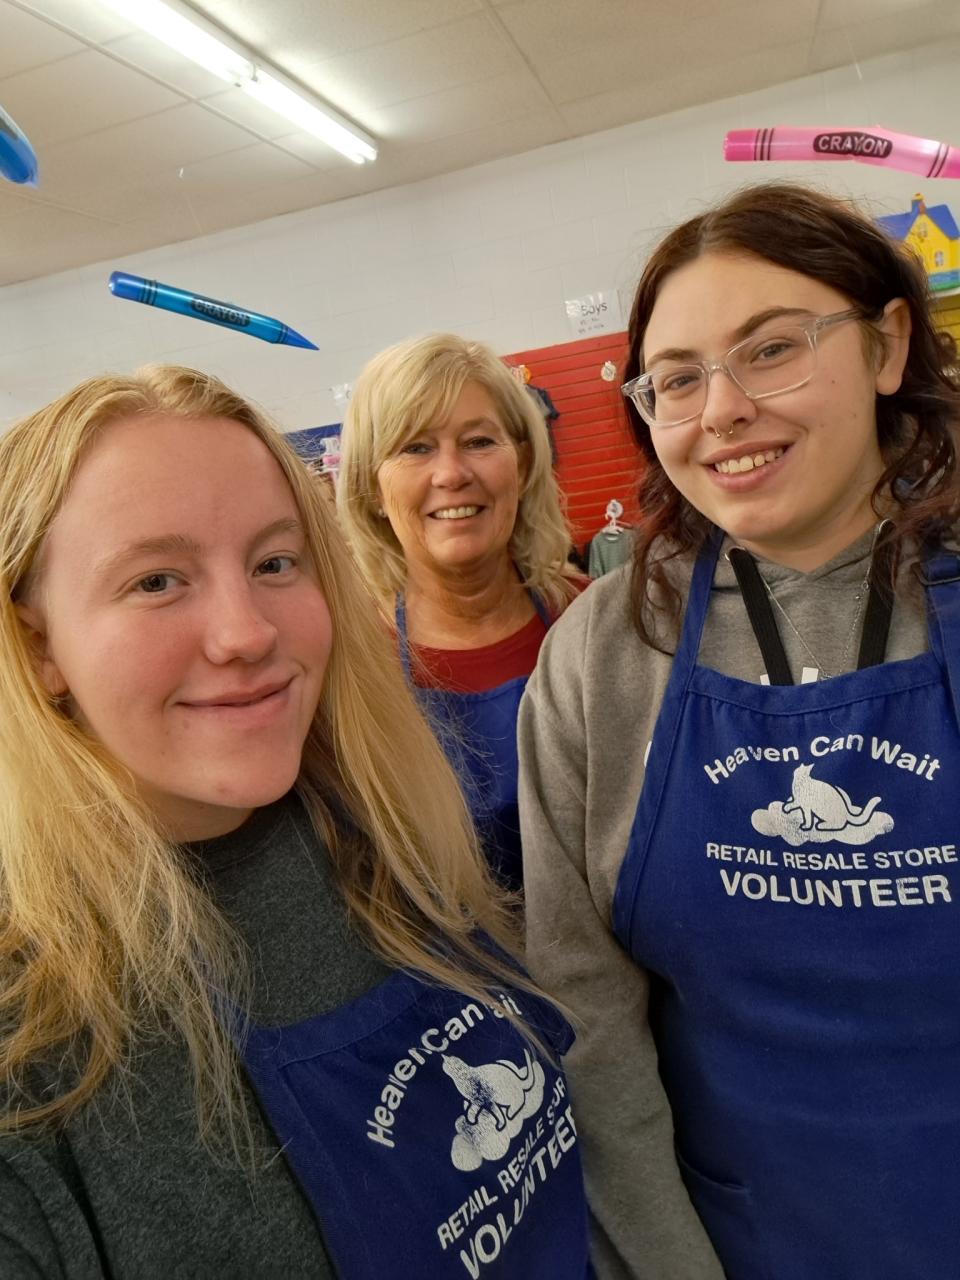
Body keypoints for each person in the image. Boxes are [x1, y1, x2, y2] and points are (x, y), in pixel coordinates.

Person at [0, 366, 592, 1279]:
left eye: (275, 562)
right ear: (39, 644)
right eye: (156, 580)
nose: (245, 633)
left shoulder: (381, 827)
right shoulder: (30, 1037)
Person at [519, 181, 960, 1280]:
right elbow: (587, 1012)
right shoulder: (600, 653)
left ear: (888, 345)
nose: (720, 410)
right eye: (677, 379)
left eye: (771, 350)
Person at [338, 334, 583, 894]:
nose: (451, 474)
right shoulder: (350, 663)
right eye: (415, 448)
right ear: (373, 488)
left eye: (478, 441)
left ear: (522, 462)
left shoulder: (590, 619)